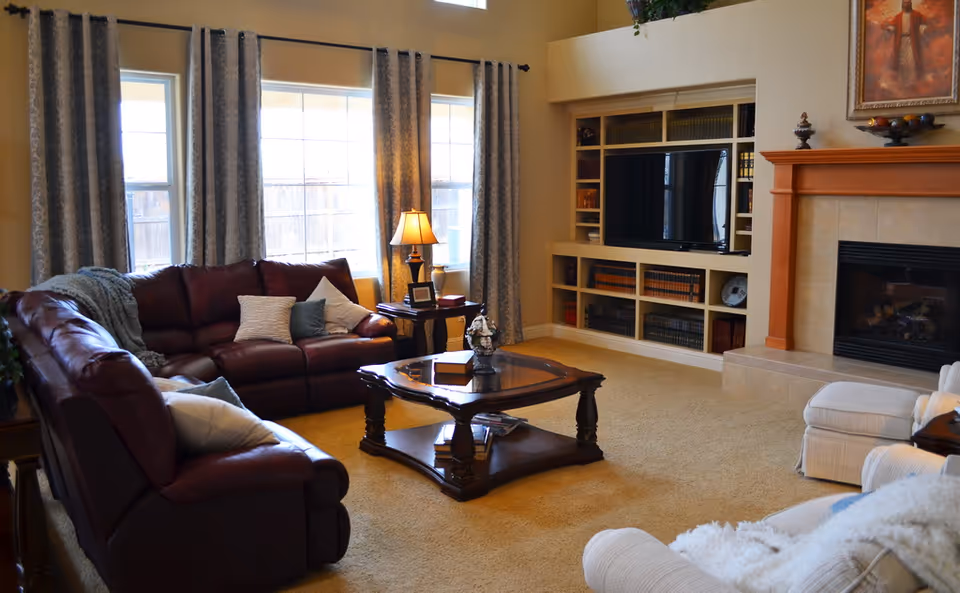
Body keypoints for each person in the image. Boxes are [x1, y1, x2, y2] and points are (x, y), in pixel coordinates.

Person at [885, 0, 928, 84]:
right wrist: (890, 28)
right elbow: (893, 26)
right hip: (901, 41)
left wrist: (922, 28)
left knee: (911, 60)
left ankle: (912, 80)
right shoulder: (898, 16)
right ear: (902, 4)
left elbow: (924, 22)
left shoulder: (916, 14)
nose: (906, 4)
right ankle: (902, 80)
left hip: (912, 41)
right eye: (905, 3)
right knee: (902, 60)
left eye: (908, 3)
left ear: (911, 4)